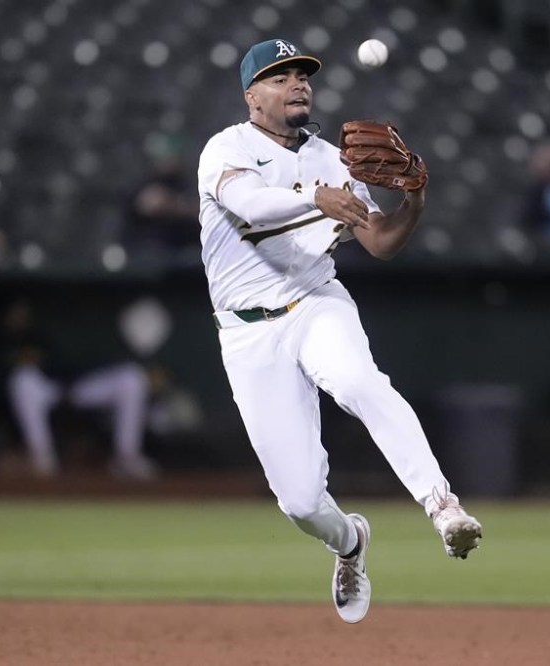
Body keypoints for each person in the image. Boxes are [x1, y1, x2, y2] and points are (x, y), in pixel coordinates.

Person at [196, 38, 482, 624]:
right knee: (299, 501)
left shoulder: (332, 159)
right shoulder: (228, 147)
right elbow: (250, 204)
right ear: (252, 96)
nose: (297, 82)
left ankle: (443, 506)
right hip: (248, 332)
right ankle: (350, 543)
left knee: (358, 381)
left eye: (302, 74)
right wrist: (315, 198)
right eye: (280, 77)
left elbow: (377, 241)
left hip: (316, 302)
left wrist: (415, 204)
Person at [0, 299, 156, 480]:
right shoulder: (40, 323)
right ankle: (40, 456)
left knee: (132, 378)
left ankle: (127, 457)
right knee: (23, 379)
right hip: (51, 386)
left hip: (88, 386)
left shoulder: (106, 318)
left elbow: (109, 358)